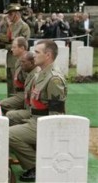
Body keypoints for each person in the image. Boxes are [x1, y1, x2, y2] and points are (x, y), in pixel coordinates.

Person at [9, 39, 67, 182]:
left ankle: (37, 166)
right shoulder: (42, 74)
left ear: (47, 55)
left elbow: (56, 115)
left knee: (9, 134)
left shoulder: (54, 79)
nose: (33, 55)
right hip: (35, 118)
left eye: (37, 52)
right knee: (10, 122)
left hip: (44, 124)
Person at [0, 3, 30, 97]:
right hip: (10, 58)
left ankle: (18, 103)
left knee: (18, 83)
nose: (8, 16)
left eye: (10, 14)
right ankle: (10, 102)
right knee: (10, 83)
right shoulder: (10, 25)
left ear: (17, 14)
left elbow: (21, 46)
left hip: (19, 59)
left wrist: (6, 45)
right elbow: (3, 37)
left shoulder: (24, 26)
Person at [6, 51, 40, 126]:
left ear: (31, 63)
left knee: (9, 114)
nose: (21, 64)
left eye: (23, 62)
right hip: (28, 107)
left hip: (34, 114)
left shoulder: (36, 76)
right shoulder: (30, 73)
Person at [0, 37, 29, 114]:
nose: (12, 49)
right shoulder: (19, 61)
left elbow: (30, 83)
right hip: (19, 93)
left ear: (22, 48)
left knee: (1, 105)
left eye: (14, 47)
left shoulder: (27, 63)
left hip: (25, 94)